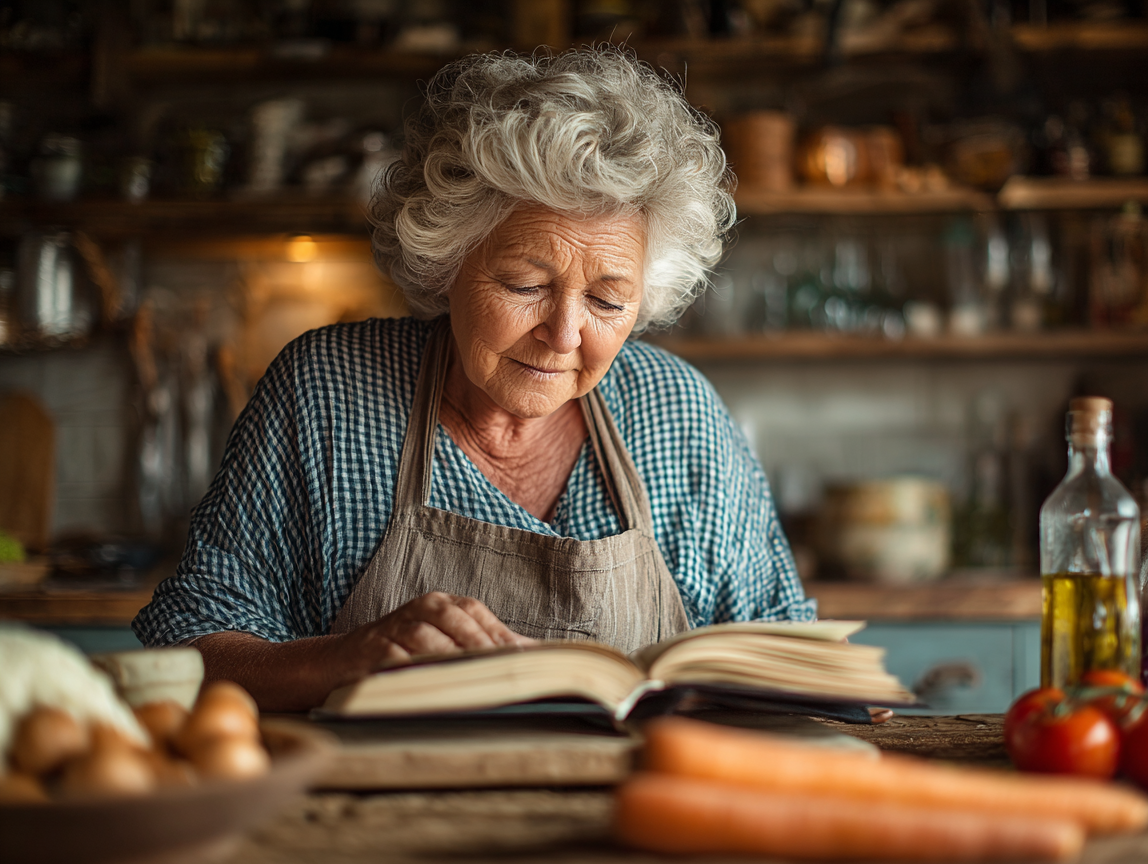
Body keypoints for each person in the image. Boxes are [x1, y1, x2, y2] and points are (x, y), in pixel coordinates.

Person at [133, 48, 813, 710]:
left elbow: (790, 652)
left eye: (608, 301)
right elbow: (184, 651)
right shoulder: (328, 391)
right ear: (445, 263)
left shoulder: (678, 413)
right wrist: (340, 660)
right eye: (524, 284)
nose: (564, 333)